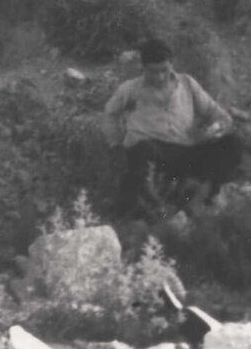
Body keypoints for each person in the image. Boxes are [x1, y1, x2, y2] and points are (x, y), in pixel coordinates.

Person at [103, 39, 243, 217]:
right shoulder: (130, 89)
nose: (160, 77)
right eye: (153, 72)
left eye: (164, 70)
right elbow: (110, 113)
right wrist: (115, 143)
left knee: (233, 144)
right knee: (142, 150)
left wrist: (214, 128)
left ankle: (205, 198)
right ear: (143, 68)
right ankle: (131, 211)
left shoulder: (187, 83)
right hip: (151, 152)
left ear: (171, 64)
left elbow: (218, 115)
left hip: (185, 150)